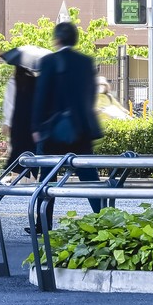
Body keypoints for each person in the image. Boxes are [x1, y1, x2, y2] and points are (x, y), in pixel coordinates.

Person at [32, 21, 107, 211]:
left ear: (57, 38)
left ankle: (43, 224)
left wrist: (36, 127)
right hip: (81, 128)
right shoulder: (86, 61)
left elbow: (41, 96)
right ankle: (103, 217)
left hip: (54, 128)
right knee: (89, 175)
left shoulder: (48, 61)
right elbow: (90, 94)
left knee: (47, 176)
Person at [0, 45, 48, 167]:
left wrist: (7, 123)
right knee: (32, 155)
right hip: (33, 124)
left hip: (18, 123)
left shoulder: (14, 82)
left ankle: (20, 183)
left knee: (18, 157)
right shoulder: (36, 82)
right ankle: (31, 182)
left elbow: (10, 104)